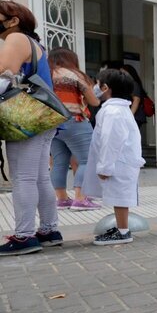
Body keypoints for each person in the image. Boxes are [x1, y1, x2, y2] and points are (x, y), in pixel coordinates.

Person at [0, 0, 62, 256]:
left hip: (24, 116)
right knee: (38, 177)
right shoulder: (35, 44)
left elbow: (4, 71)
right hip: (43, 115)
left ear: (13, 21)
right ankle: (49, 230)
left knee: (23, 177)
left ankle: (24, 236)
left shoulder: (16, 39)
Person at [84, 69, 145, 246]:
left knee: (120, 197)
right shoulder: (118, 109)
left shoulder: (113, 112)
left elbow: (111, 141)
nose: (95, 87)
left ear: (105, 88)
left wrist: (105, 167)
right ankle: (121, 228)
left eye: (97, 84)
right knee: (120, 196)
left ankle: (123, 232)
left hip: (119, 162)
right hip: (122, 161)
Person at [48, 47, 101, 211]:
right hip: (74, 121)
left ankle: (62, 199)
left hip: (51, 124)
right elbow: (94, 102)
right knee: (87, 160)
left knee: (58, 162)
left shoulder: (47, 74)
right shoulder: (75, 75)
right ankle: (80, 198)